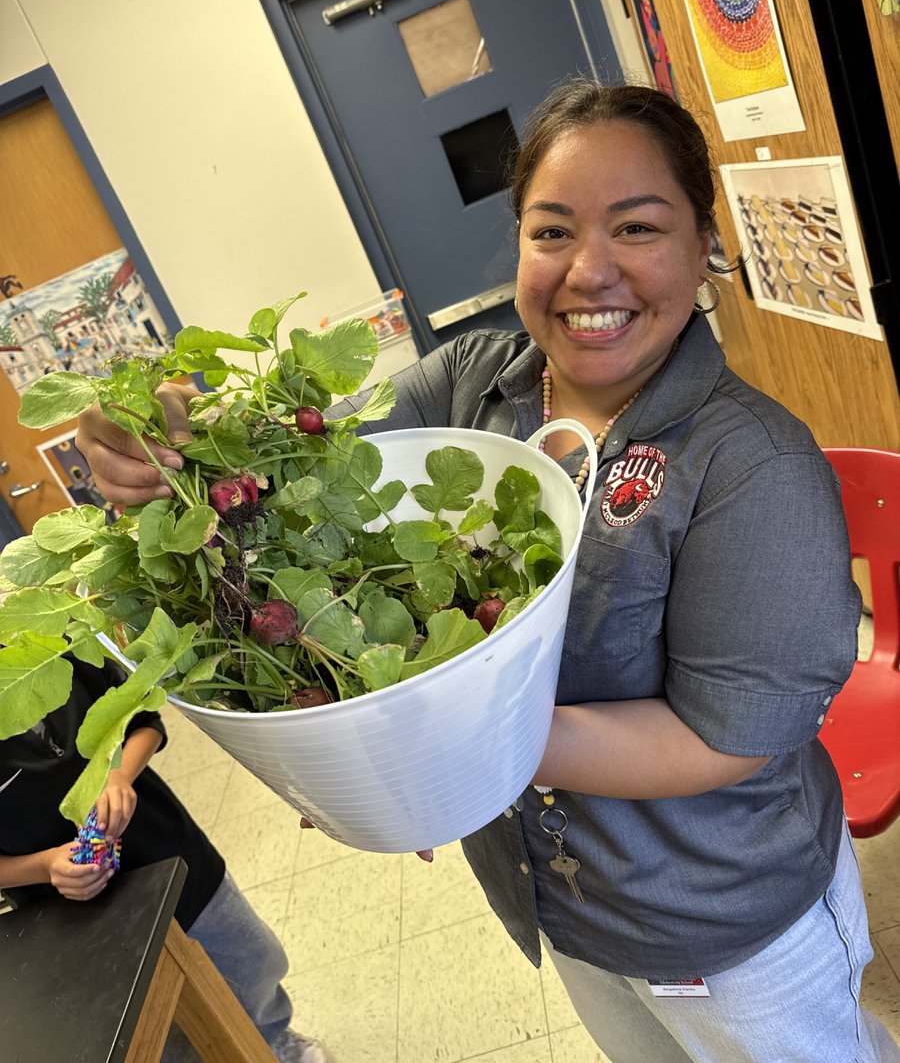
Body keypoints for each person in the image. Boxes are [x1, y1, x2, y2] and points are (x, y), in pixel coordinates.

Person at [74, 80, 900, 1063]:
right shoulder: (468, 386)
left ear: (703, 245)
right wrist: (178, 452)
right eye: (552, 232)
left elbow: (725, 739)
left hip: (729, 927)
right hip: (567, 903)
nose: (589, 270)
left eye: (637, 227)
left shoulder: (753, 465)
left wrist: (441, 746)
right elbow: (300, 488)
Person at [0, 656, 329, 1063]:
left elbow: (146, 720)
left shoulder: (53, 650)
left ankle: (275, 1040)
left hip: (168, 849)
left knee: (252, 960)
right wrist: (44, 866)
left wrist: (119, 775)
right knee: (160, 1018)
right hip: (74, 912)